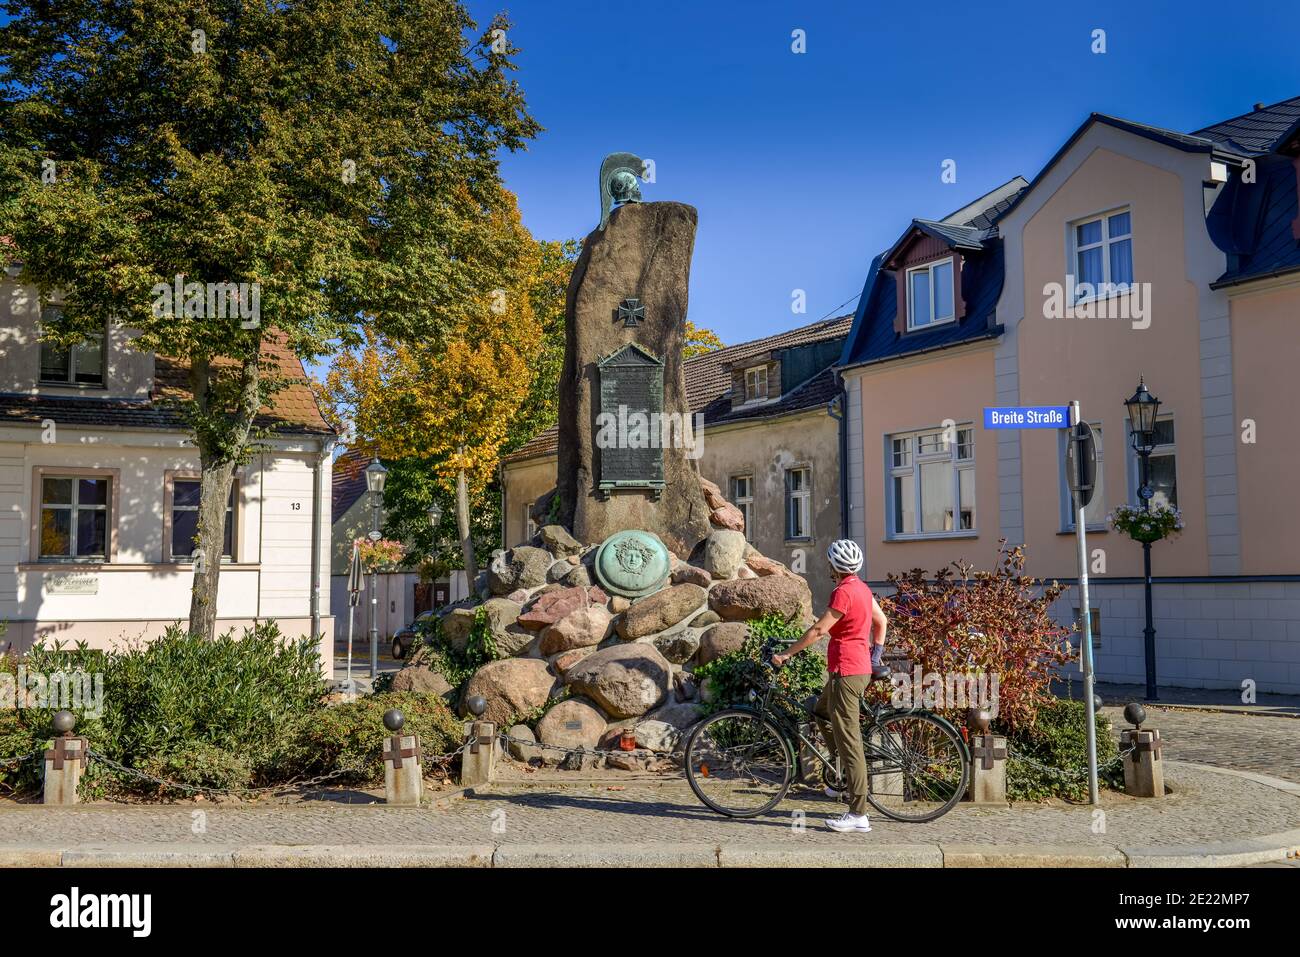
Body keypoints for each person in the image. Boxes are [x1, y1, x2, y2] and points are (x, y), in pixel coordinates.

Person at [772, 538, 888, 833]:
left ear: (833, 566)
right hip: (851, 670)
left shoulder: (844, 592)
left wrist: (786, 654)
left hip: (847, 674)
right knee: (819, 710)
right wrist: (875, 654)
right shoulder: (862, 589)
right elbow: (881, 621)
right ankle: (841, 776)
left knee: (851, 742)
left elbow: (819, 629)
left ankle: (858, 814)